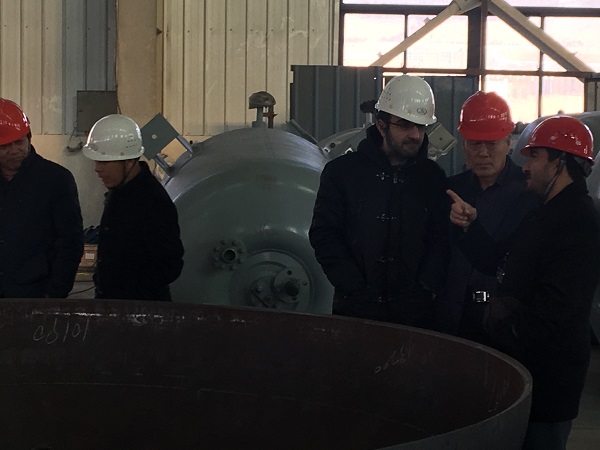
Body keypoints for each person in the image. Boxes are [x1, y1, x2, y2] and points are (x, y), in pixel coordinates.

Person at [448, 115, 600, 449]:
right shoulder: (544, 213)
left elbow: (557, 311)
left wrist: (504, 329)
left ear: (560, 163)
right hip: (528, 369)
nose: (526, 166)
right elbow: (498, 260)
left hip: (550, 378)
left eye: (535, 156)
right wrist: (470, 227)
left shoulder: (578, 221)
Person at [309, 75, 449, 329]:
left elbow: (441, 240)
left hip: (415, 319)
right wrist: (354, 289)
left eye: (421, 126)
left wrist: (424, 289)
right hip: (355, 314)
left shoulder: (432, 178)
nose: (415, 135)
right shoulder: (342, 173)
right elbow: (325, 235)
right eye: (405, 125)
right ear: (381, 126)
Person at [441, 91, 539, 339]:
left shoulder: (530, 195)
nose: (483, 153)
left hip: (504, 324)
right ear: (464, 145)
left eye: (492, 144)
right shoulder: (451, 190)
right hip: (453, 319)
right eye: (475, 144)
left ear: (508, 143)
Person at [83, 114, 184, 301]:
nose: (97, 168)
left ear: (129, 161)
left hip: (140, 310)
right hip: (114, 304)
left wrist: (130, 295)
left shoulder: (153, 202)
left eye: (104, 162)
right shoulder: (119, 192)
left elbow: (170, 266)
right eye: (96, 161)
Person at [0, 98, 83, 298]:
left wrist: (54, 294)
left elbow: (70, 243)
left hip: (35, 294)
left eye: (19, 142)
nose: (15, 150)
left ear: (29, 138)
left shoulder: (56, 180)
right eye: (6, 145)